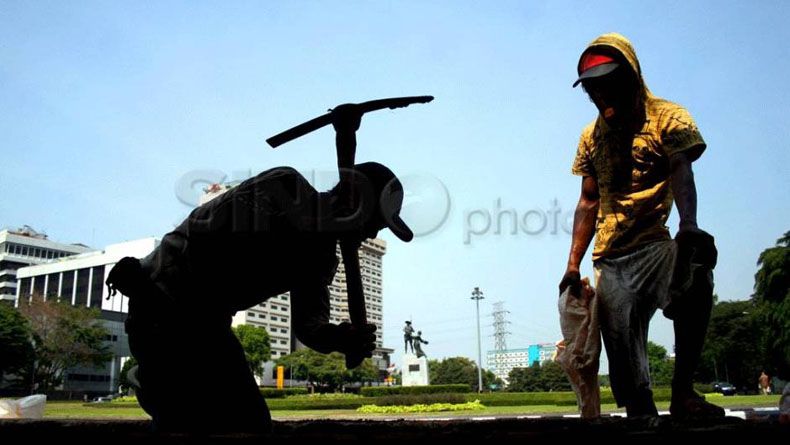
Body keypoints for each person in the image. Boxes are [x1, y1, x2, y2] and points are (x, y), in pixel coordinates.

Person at [105, 162, 413, 433]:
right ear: (352, 202)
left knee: (251, 424)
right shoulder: (285, 186)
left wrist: (340, 338)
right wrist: (308, 230)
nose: (369, 235)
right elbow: (204, 235)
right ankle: (155, 380)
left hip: (207, 325)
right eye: (372, 223)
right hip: (163, 302)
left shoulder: (319, 258)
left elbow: (309, 328)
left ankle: (162, 384)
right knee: (195, 420)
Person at [560, 33, 724, 419]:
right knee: (631, 384)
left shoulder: (668, 117)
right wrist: (572, 265)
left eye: (608, 87)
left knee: (697, 269)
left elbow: (681, 168)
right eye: (592, 91)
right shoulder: (591, 137)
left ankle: (683, 391)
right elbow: (588, 200)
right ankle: (640, 407)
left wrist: (690, 226)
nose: (601, 97)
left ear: (631, 78)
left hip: (656, 245)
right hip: (612, 259)